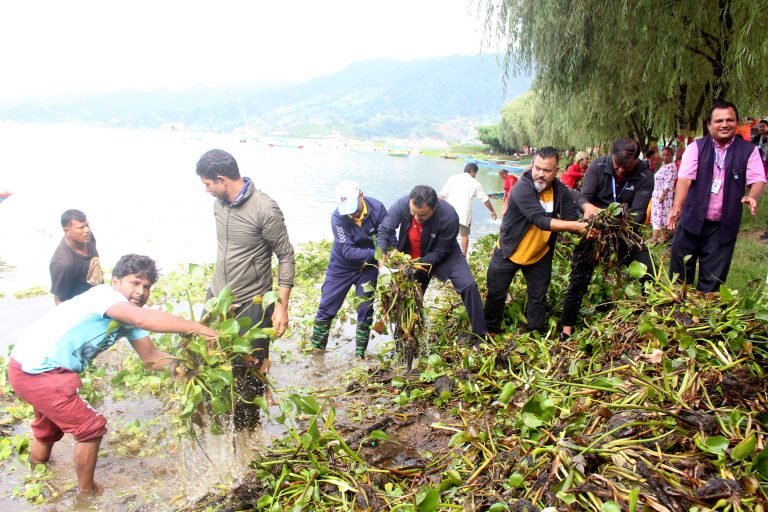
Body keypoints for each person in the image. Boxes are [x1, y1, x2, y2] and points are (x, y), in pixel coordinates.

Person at [8, 254, 217, 494]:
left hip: (34, 367)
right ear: (116, 282)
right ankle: (88, 495)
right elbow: (144, 318)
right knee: (90, 429)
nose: (141, 291)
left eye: (146, 286)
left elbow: (150, 358)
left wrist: (185, 368)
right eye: (134, 283)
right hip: (39, 370)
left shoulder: (129, 316)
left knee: (48, 430)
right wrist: (197, 327)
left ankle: (36, 474)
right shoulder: (105, 297)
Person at [196, 148, 295, 428]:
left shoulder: (265, 209)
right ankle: (220, 426)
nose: (206, 191)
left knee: (249, 372)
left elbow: (286, 256)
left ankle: (248, 433)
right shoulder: (219, 204)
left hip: (252, 303)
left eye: (207, 184)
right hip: (217, 298)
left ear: (221, 178)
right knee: (208, 365)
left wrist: (281, 306)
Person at [484, 147, 587, 334]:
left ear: (556, 171)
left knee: (538, 297)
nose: (540, 174)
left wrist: (587, 215)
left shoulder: (559, 190)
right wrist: (577, 227)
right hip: (509, 251)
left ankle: (534, 334)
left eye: (547, 171)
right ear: (532, 165)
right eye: (537, 168)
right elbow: (539, 220)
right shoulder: (522, 188)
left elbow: (574, 206)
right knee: (496, 294)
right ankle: (489, 332)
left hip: (539, 254)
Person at [560, 138, 654, 339]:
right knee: (579, 278)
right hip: (593, 229)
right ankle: (566, 329)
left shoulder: (645, 175)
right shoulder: (598, 166)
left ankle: (650, 321)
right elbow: (583, 197)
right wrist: (587, 208)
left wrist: (613, 220)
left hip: (626, 232)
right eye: (617, 166)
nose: (620, 171)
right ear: (611, 157)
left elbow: (637, 215)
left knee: (649, 273)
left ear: (636, 161)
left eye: (626, 167)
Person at [667, 101, 766, 291]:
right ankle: (677, 312)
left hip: (723, 226)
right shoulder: (696, 148)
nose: (724, 124)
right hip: (691, 221)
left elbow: (758, 180)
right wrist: (677, 206)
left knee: (712, 282)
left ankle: (703, 315)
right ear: (709, 125)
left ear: (737, 123)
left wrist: (753, 196)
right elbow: (685, 179)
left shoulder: (749, 151)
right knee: (679, 280)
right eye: (719, 120)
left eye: (730, 120)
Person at [377, 185, 488, 339]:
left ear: (434, 207)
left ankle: (480, 334)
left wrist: (416, 264)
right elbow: (384, 230)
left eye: (421, 216)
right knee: (408, 302)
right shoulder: (402, 204)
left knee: (468, 286)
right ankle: (403, 342)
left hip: (444, 255)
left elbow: (440, 252)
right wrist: (381, 258)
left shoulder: (449, 216)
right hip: (412, 257)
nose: (416, 218)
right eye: (413, 213)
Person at [310, 181, 392, 358]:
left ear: (361, 195)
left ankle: (360, 355)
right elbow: (347, 251)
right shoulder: (338, 217)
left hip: (368, 268)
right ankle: (316, 354)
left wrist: (381, 261)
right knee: (327, 306)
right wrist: (377, 253)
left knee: (365, 308)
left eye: (353, 207)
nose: (351, 212)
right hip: (342, 265)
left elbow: (386, 238)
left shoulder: (377, 209)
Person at [438, 163, 498, 256]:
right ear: (472, 171)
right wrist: (492, 211)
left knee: (447, 233)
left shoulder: (453, 178)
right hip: (464, 214)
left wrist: (435, 208)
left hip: (449, 211)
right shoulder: (475, 183)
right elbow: (484, 199)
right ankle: (464, 256)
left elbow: (442, 195)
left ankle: (445, 253)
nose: (475, 175)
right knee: (464, 235)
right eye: (475, 173)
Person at [50, 209, 103, 304]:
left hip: (100, 296)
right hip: (82, 307)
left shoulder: (87, 238)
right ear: (67, 231)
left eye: (87, 225)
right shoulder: (63, 263)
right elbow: (59, 300)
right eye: (81, 228)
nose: (87, 230)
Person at [649, 147, 677, 244]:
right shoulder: (664, 165)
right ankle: (663, 237)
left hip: (663, 196)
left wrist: (662, 196)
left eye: (667, 155)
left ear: (672, 156)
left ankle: (654, 239)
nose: (665, 157)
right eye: (663, 155)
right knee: (659, 217)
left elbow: (669, 183)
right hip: (657, 194)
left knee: (659, 217)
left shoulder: (671, 167)